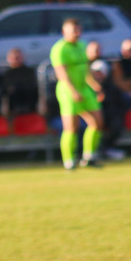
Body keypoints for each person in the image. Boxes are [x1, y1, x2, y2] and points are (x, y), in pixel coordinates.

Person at [50, 17, 104, 169]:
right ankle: (69, 161)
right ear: (64, 32)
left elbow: (86, 71)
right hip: (68, 90)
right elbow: (62, 73)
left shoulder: (82, 45)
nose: (77, 33)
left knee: (97, 122)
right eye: (73, 31)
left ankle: (89, 157)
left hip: (84, 89)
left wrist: (95, 86)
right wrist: (73, 91)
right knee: (71, 127)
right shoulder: (59, 49)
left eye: (78, 30)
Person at [90, 59, 127, 161]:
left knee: (117, 124)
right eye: (95, 73)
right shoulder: (88, 89)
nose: (98, 76)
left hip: (109, 117)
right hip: (92, 118)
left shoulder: (112, 88)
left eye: (100, 73)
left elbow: (118, 106)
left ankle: (107, 149)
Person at [2, 48, 39, 115]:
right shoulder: (7, 73)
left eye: (18, 57)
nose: (16, 60)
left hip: (29, 104)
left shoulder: (29, 72)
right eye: (14, 58)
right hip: (13, 105)